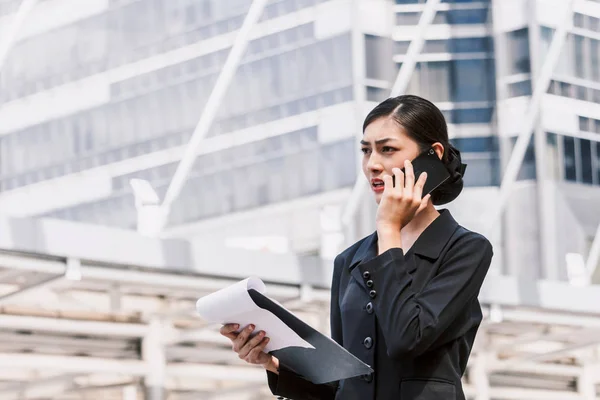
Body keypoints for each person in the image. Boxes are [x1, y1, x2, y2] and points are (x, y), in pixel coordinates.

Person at [220, 95, 494, 400]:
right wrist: (272, 362)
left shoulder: (465, 249)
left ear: (433, 155)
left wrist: (389, 228)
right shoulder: (349, 260)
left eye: (387, 149)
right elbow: (344, 382)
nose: (372, 164)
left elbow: (407, 338)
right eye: (366, 151)